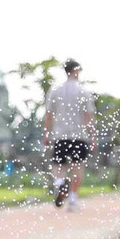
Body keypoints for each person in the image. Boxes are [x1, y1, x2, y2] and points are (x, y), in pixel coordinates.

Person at [44, 59, 94, 212]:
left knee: (59, 166)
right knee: (77, 168)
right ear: (76, 70)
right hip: (79, 136)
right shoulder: (84, 92)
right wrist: (92, 136)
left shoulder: (55, 91)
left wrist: (47, 134)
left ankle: (60, 183)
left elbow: (48, 115)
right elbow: (88, 117)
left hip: (60, 136)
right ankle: (72, 200)